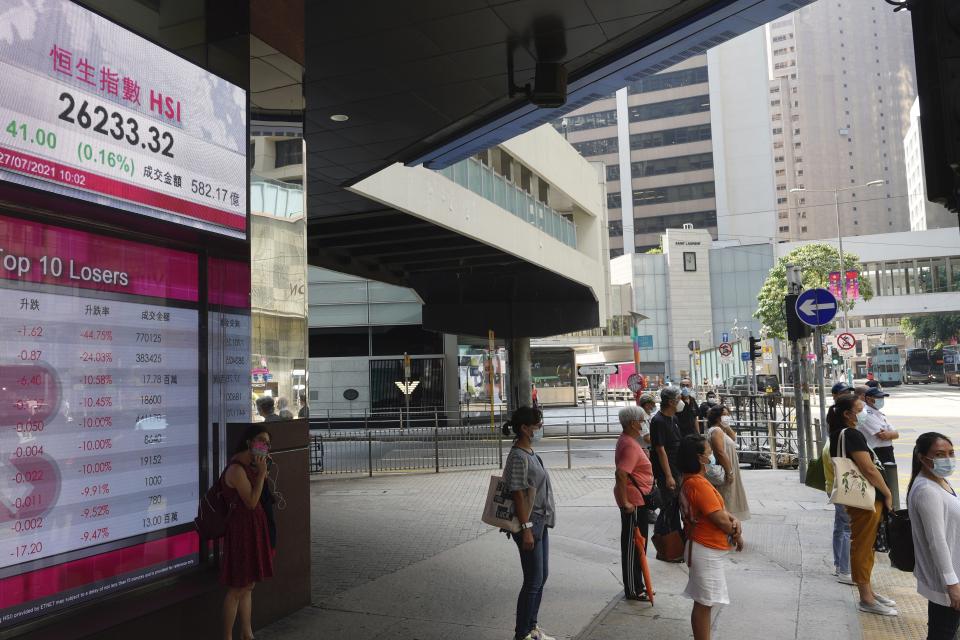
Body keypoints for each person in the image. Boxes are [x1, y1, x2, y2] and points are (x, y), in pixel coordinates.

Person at [827, 394, 898, 616]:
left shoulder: (840, 434)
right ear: (848, 414)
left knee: (866, 546)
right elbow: (868, 469)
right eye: (860, 408)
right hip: (865, 500)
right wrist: (887, 493)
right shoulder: (851, 435)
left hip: (861, 499)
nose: (864, 411)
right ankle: (866, 598)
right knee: (863, 546)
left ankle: (869, 591)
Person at [678, 434, 744, 640]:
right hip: (704, 548)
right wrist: (736, 531)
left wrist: (733, 521)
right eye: (709, 453)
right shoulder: (698, 484)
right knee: (704, 602)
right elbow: (720, 519)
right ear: (699, 458)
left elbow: (719, 512)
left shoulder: (692, 481)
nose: (712, 456)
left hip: (702, 546)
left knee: (705, 601)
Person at [502, 407, 557, 640]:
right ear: (524, 428)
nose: (539, 428)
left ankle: (532, 628)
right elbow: (517, 493)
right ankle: (522, 633)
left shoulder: (530, 452)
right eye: (536, 425)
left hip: (539, 522)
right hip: (529, 525)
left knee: (541, 577)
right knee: (533, 580)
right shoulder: (518, 456)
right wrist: (525, 530)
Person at [221, 425, 274, 640]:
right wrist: (261, 475)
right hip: (241, 530)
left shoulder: (252, 465)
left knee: (249, 585)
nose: (265, 446)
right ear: (249, 442)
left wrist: (261, 472)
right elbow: (251, 502)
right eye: (260, 441)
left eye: (268, 443)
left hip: (253, 528)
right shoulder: (236, 469)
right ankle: (227, 637)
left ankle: (247, 633)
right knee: (237, 587)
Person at [907, 432, 960, 640]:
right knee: (943, 634)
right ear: (922, 457)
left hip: (952, 575)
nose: (947, 459)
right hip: (948, 580)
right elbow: (936, 541)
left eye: (950, 453)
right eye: (939, 454)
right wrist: (952, 584)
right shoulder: (927, 490)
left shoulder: (940, 481)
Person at [615, 406, 655, 601]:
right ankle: (633, 588)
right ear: (632, 423)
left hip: (638, 500)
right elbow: (621, 473)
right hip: (634, 501)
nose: (643, 423)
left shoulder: (629, 441)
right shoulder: (630, 445)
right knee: (634, 545)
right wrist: (625, 502)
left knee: (639, 544)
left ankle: (639, 585)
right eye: (641, 420)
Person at [705, 406, 750, 521]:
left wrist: (726, 425)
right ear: (717, 417)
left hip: (729, 466)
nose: (727, 417)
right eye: (725, 415)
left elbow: (733, 437)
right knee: (727, 497)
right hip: (726, 468)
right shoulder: (717, 431)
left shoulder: (720, 430)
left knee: (730, 495)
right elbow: (720, 452)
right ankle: (729, 526)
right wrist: (729, 472)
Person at [821, 435, 853, 585]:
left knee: (840, 527)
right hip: (841, 490)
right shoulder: (838, 445)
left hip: (833, 488)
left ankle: (839, 565)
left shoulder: (830, 441)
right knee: (848, 529)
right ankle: (845, 571)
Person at [650, 387, 683, 501]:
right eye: (679, 399)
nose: (681, 401)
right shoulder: (658, 421)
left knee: (679, 505)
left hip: (678, 467)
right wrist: (668, 476)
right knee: (670, 507)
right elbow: (660, 450)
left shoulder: (674, 418)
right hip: (668, 472)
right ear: (670, 402)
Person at [859, 387, 898, 465]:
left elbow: (896, 434)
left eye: (882, 397)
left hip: (887, 451)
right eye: (879, 397)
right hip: (877, 452)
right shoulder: (865, 414)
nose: (881, 399)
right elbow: (882, 435)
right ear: (869, 399)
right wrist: (891, 433)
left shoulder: (879, 413)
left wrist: (890, 434)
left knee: (890, 475)